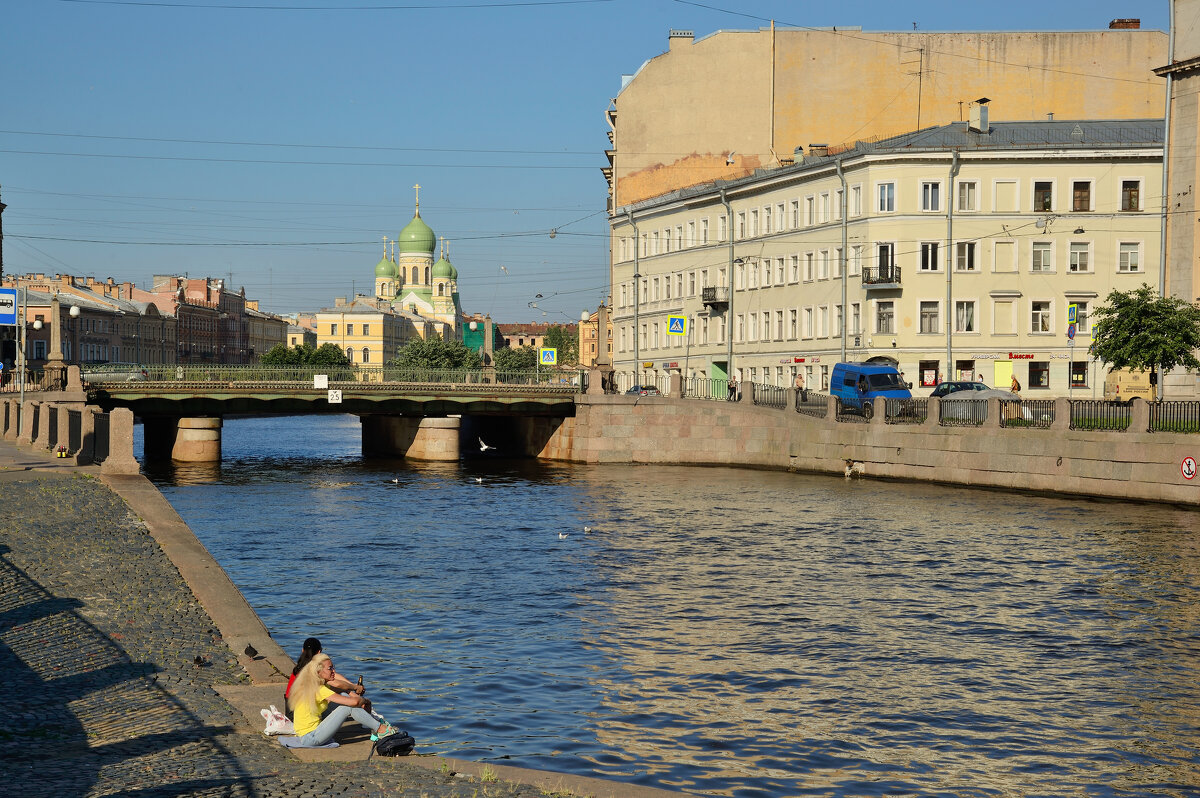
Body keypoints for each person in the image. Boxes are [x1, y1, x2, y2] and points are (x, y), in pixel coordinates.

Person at [287, 653, 399, 746]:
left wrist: (353, 690)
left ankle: (374, 726)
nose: (334, 671)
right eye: (330, 668)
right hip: (310, 738)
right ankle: (380, 729)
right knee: (348, 707)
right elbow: (354, 702)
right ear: (319, 671)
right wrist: (365, 701)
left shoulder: (311, 681)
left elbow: (340, 684)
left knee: (345, 698)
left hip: (305, 734)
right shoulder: (320, 689)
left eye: (333, 667)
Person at [284, 637, 362, 708]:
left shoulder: (300, 666)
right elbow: (336, 683)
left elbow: (334, 676)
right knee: (345, 700)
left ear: (302, 650)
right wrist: (354, 688)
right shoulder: (312, 670)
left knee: (341, 693)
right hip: (297, 710)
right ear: (319, 652)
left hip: (290, 706)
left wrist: (353, 686)